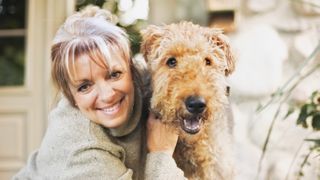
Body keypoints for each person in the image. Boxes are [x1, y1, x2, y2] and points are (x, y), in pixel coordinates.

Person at [13, 5, 185, 180]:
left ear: (131, 68)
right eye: (84, 86)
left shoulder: (146, 79)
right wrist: (161, 153)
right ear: (71, 96)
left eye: (114, 74)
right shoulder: (81, 151)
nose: (107, 95)